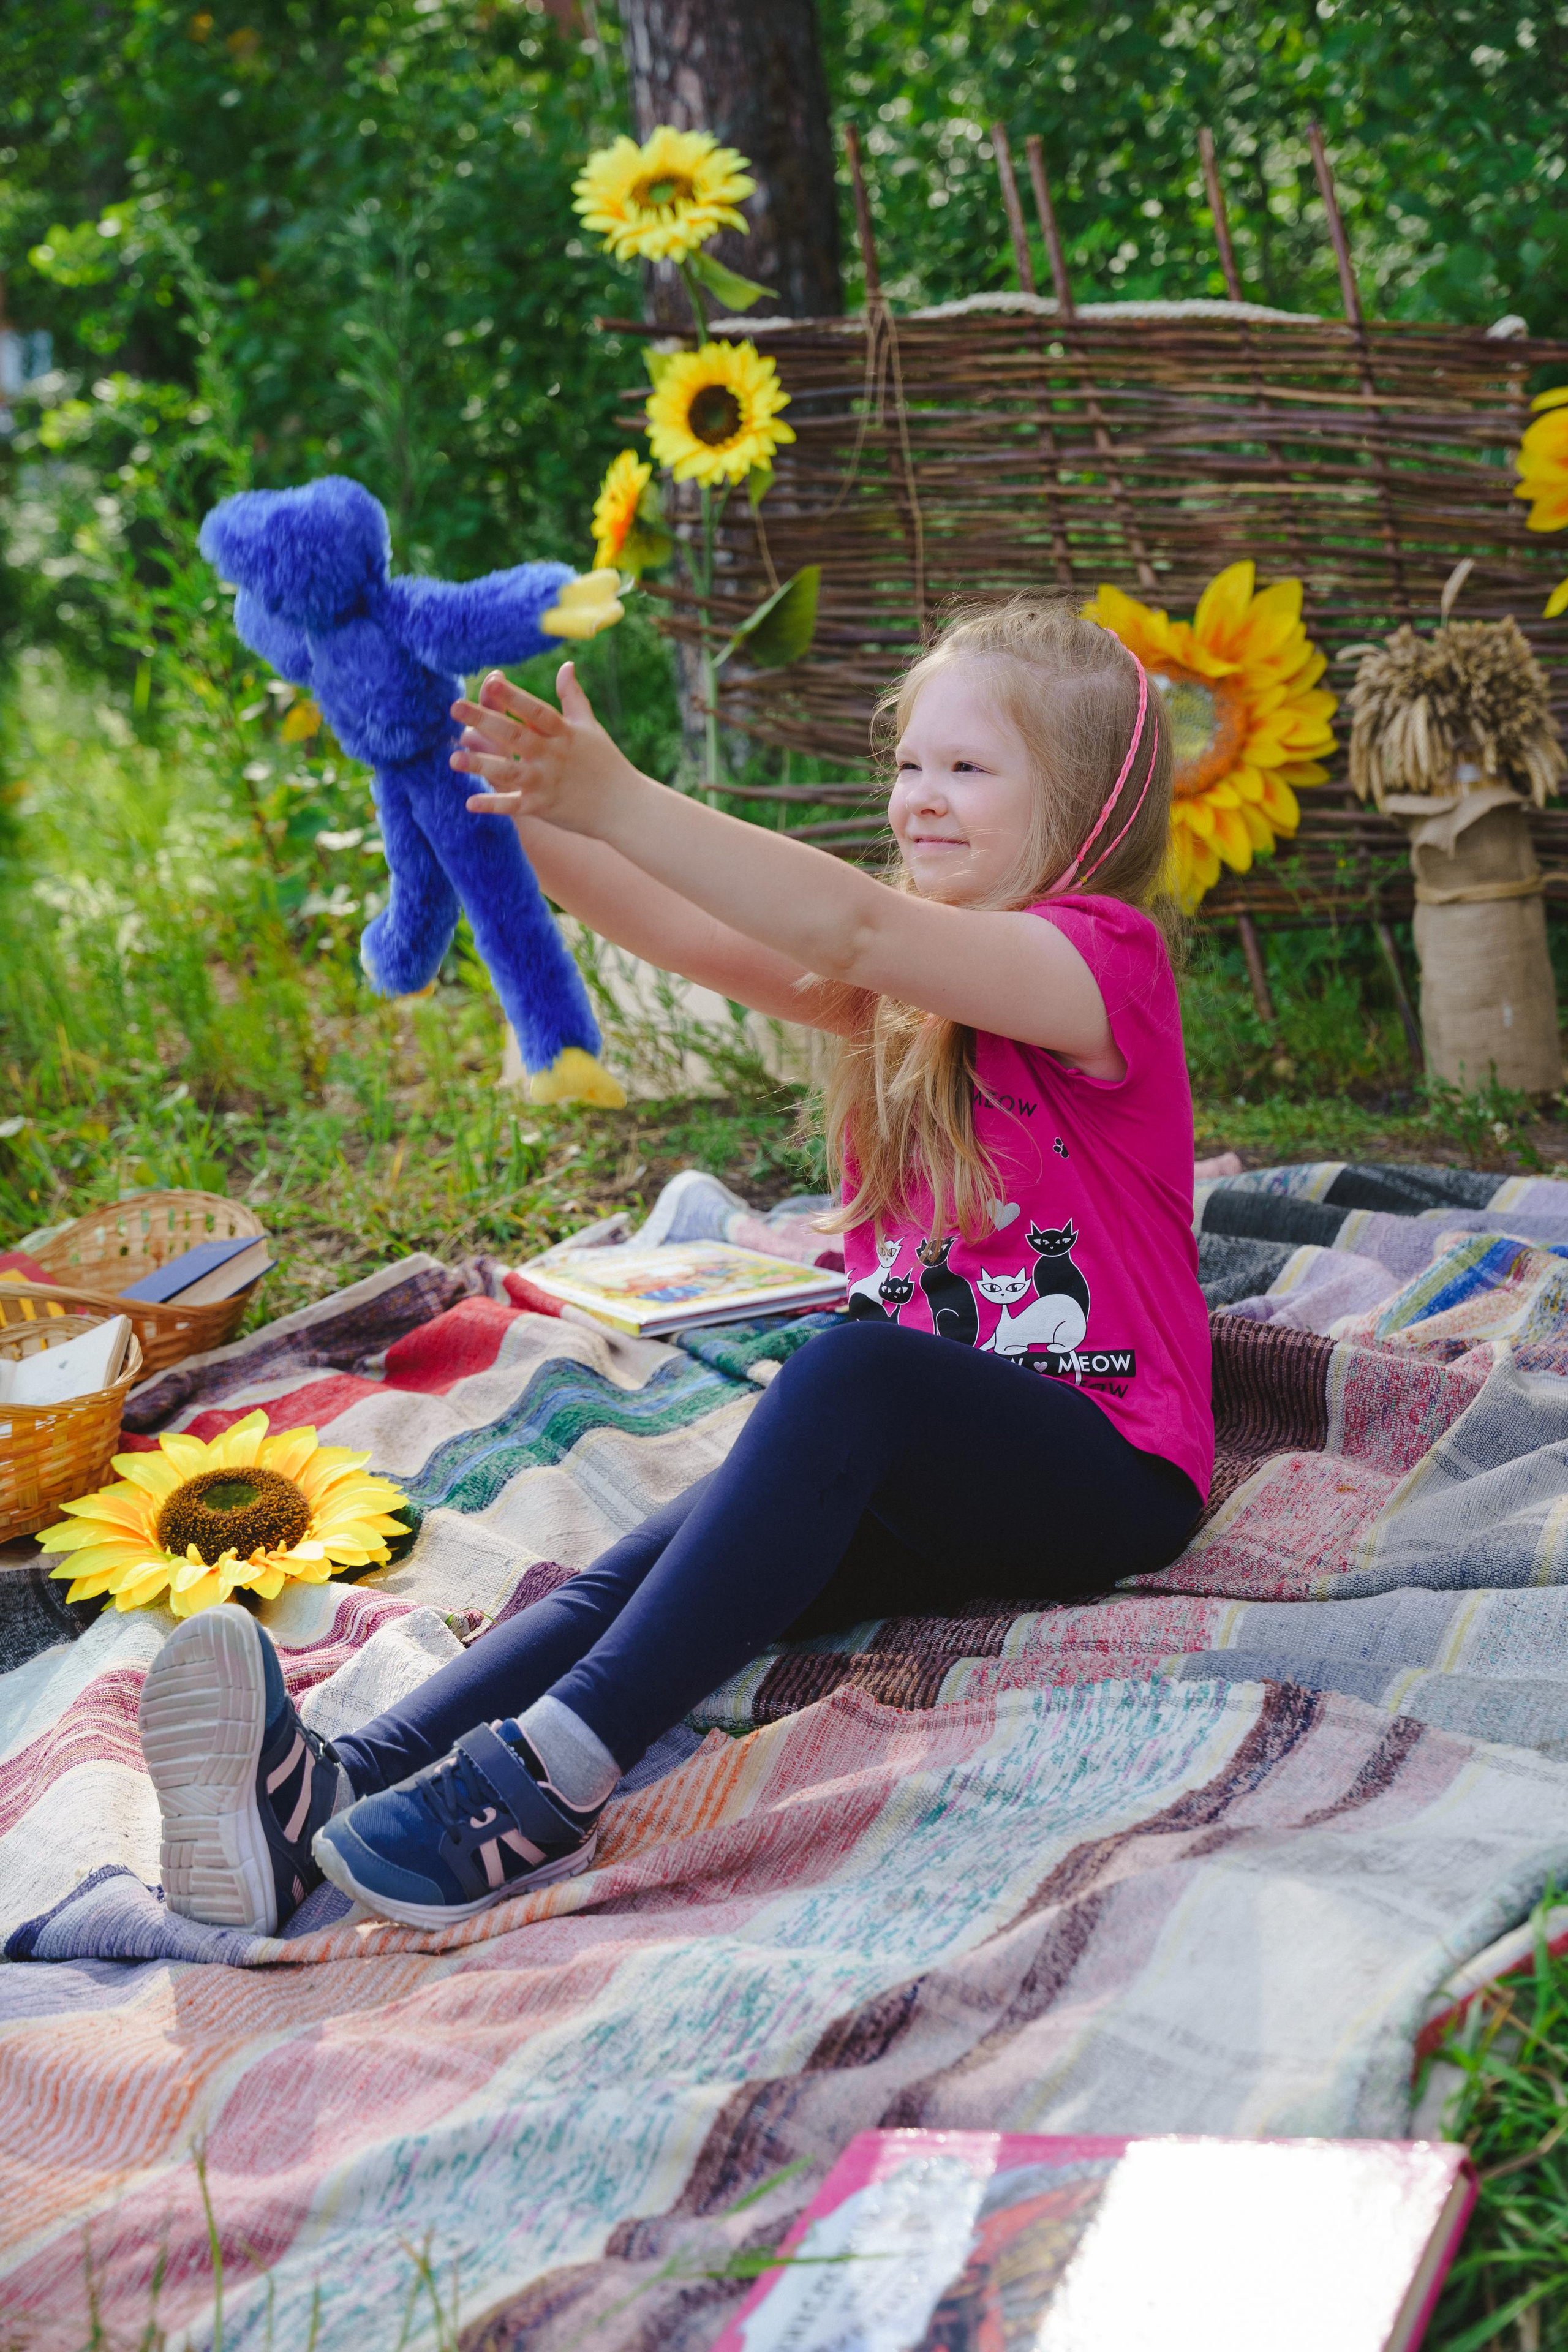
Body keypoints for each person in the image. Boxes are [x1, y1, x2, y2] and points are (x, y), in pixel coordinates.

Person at [136, 596, 1212, 1936]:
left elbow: (850, 928)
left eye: (968, 770)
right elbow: (677, 929)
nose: (919, 800)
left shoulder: (1099, 962)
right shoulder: (909, 994)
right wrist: (491, 794)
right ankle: (327, 1794)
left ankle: (551, 1777)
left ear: (1086, 809)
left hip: (1105, 1469)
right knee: (646, 1565)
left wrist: (623, 793)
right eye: (909, 766)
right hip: (935, 1471)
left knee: (849, 1373)